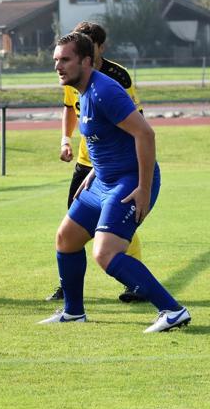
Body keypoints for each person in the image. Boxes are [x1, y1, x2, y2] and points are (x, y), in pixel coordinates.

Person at [40, 32, 189, 332]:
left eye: (65, 60)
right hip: (102, 181)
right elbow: (105, 139)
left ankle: (173, 310)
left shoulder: (104, 91)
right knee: (66, 239)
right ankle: (73, 312)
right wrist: (94, 174)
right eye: (56, 60)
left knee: (105, 253)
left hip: (129, 181)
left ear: (86, 60)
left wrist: (144, 188)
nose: (58, 66)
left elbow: (145, 134)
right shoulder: (81, 90)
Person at [48, 21, 145, 303]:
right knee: (73, 225)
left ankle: (135, 281)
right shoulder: (71, 75)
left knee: (116, 222)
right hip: (87, 162)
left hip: (116, 165)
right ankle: (69, 287)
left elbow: (139, 123)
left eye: (87, 45)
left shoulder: (116, 78)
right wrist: (65, 139)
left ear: (97, 50)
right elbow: (69, 109)